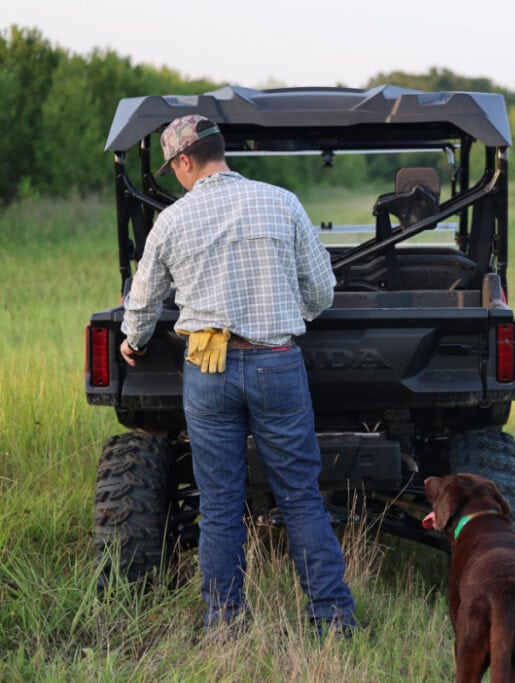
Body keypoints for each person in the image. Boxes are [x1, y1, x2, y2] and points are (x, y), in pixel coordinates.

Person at [119, 114, 356, 635]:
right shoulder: (281, 201)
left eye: (173, 167)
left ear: (184, 161)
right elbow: (321, 290)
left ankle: (225, 624)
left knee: (221, 503)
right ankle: (333, 620)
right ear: (220, 151)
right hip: (276, 362)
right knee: (299, 496)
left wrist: (133, 342)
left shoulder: (173, 221)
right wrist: (285, 319)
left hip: (207, 367)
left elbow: (140, 300)